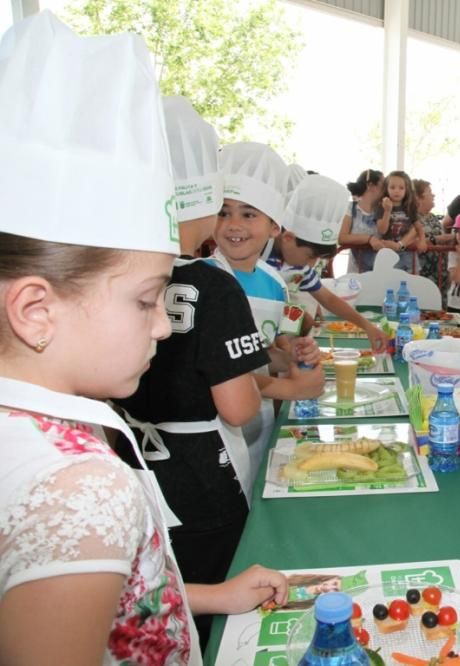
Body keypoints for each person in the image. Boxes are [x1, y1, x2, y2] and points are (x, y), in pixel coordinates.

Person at [0, 13, 287, 663]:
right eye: (144, 299)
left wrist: (211, 595)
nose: (164, 322)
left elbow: (117, 601)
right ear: (36, 309)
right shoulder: (80, 485)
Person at [112, 97, 269, 651]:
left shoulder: (113, 270)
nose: (227, 221)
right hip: (204, 476)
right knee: (212, 608)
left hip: (133, 466)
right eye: (222, 207)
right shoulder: (214, 285)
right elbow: (239, 408)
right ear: (200, 205)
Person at [212, 142, 325, 489]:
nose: (234, 225)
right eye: (223, 212)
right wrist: (292, 387)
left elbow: (262, 352)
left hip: (260, 420)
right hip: (216, 428)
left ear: (275, 226)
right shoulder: (204, 279)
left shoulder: (274, 283)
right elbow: (214, 370)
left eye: (249, 214)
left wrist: (290, 353)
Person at [267, 174, 389, 353]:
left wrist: (367, 326)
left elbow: (328, 298)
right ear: (287, 238)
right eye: (310, 256)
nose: (312, 263)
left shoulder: (299, 264)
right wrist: (285, 342)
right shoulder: (258, 259)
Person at [339, 168, 385, 272]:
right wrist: (369, 239)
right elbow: (342, 237)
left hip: (380, 271)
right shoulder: (350, 208)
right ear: (371, 185)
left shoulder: (383, 210)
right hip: (355, 272)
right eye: (383, 185)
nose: (386, 189)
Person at [373, 170, 420, 271]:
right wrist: (387, 211)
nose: (397, 191)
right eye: (392, 187)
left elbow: (416, 228)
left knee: (412, 282)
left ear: (406, 190)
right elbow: (382, 230)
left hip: (407, 252)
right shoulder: (381, 206)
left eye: (401, 188)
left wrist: (400, 244)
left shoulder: (410, 207)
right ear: (387, 188)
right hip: (387, 253)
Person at [414, 178, 452, 302]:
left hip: (441, 275)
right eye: (429, 191)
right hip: (423, 274)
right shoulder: (412, 218)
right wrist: (437, 239)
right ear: (418, 197)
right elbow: (414, 240)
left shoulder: (433, 218)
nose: (433, 194)